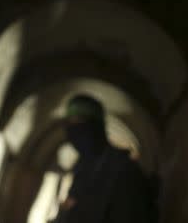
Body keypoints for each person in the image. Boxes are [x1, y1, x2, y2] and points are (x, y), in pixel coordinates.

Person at [54, 94, 155, 223]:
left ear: (96, 126)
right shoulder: (83, 169)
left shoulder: (124, 172)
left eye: (81, 122)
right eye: (70, 124)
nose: (74, 132)